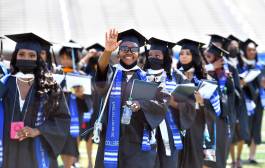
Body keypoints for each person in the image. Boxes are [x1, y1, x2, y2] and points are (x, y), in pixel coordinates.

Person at [94, 28, 167, 168]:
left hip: (138, 144)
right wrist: (107, 51)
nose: (128, 52)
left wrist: (141, 105)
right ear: (118, 51)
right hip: (111, 140)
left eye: (133, 49)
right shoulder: (112, 74)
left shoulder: (148, 79)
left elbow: (162, 103)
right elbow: (101, 69)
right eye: (124, 48)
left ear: (138, 52)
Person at [0, 33, 70, 168]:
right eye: (22, 54)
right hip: (8, 149)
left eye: (32, 55)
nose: (26, 58)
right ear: (15, 56)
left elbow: (63, 118)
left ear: (38, 58)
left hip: (37, 149)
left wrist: (37, 130)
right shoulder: (4, 83)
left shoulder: (49, 86)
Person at [144, 37, 196, 168]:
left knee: (170, 164)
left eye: (157, 55)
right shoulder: (142, 75)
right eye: (150, 55)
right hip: (147, 129)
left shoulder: (177, 77)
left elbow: (190, 103)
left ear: (165, 57)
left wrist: (174, 103)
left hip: (171, 130)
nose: (153, 58)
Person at [176, 38, 218, 168]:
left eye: (187, 53)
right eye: (181, 53)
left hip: (196, 122)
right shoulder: (174, 75)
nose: (183, 56)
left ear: (194, 56)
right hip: (177, 120)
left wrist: (201, 102)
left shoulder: (204, 77)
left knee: (194, 158)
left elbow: (213, 107)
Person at [203, 43, 236, 168]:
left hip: (220, 119)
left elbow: (232, 95)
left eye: (209, 56)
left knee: (220, 153)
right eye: (206, 55)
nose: (206, 57)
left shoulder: (225, 75)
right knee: (207, 156)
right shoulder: (202, 71)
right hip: (205, 119)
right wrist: (211, 67)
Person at [57, 42, 88, 168]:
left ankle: (70, 165)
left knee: (71, 146)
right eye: (62, 57)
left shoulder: (80, 76)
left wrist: (81, 95)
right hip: (59, 116)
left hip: (73, 118)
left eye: (68, 57)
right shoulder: (57, 74)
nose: (64, 60)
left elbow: (88, 102)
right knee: (62, 146)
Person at [237, 39, 264, 165]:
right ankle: (238, 157)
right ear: (244, 51)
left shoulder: (261, 66)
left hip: (258, 101)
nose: (252, 52)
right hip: (245, 101)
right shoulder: (240, 65)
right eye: (249, 49)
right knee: (244, 127)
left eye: (254, 49)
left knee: (256, 127)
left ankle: (252, 156)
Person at [225, 35, 249, 168]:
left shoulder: (242, 63)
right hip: (231, 101)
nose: (233, 47)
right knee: (232, 133)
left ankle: (239, 159)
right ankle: (233, 160)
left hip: (242, 102)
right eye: (231, 45)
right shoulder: (225, 62)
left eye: (236, 45)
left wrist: (244, 83)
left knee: (242, 131)